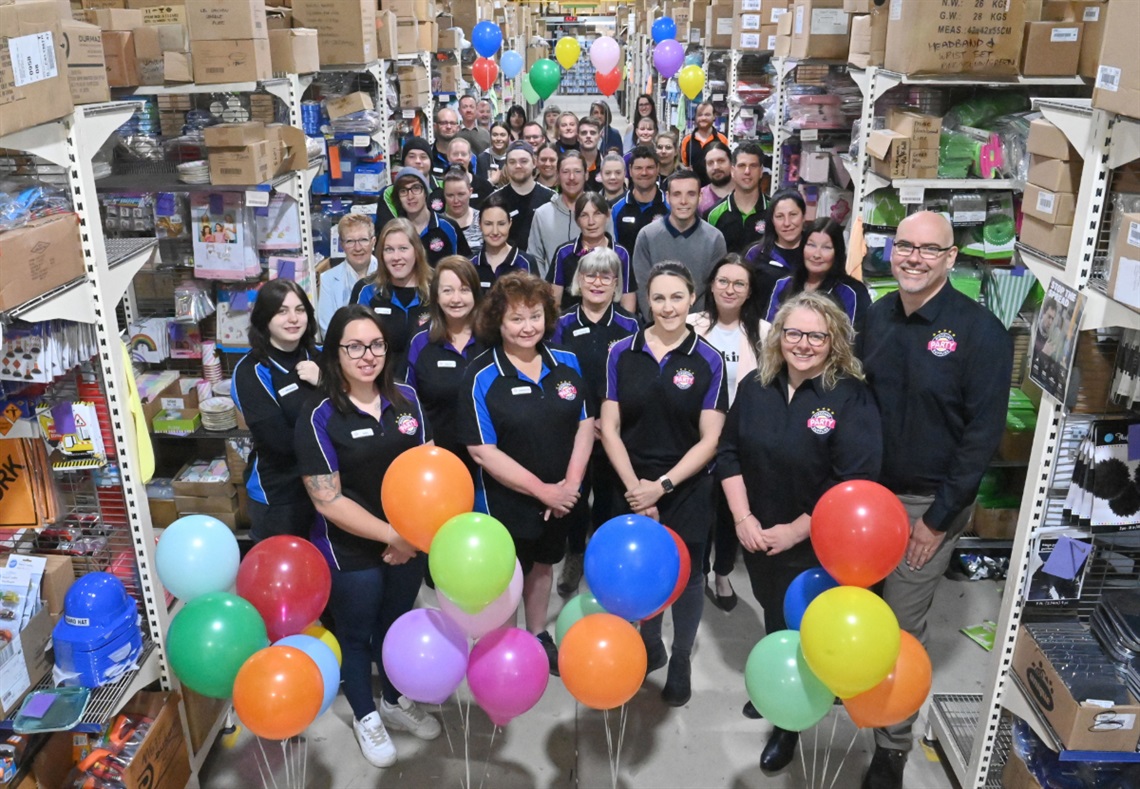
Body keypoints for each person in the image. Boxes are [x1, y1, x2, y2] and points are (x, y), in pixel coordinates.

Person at [859, 211, 1012, 789]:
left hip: (927, 506)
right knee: (860, 611)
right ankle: (856, 694)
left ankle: (892, 745)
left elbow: (980, 439)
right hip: (866, 503)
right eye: (904, 246)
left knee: (900, 625)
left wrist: (939, 521)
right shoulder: (877, 317)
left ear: (951, 259)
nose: (913, 258)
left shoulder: (981, 334)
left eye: (929, 249)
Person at [718, 291, 882, 773]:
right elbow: (728, 453)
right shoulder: (755, 386)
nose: (803, 344)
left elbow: (851, 480)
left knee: (806, 624)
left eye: (816, 335)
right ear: (778, 336)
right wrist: (743, 519)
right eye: (793, 333)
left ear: (833, 341)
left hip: (816, 543)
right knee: (773, 612)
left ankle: (790, 724)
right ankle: (781, 689)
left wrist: (793, 531)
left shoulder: (849, 396)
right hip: (758, 534)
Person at [296, 305, 440, 768]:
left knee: (396, 627)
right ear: (334, 353)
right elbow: (327, 500)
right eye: (353, 346)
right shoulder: (318, 416)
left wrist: (412, 538)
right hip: (351, 550)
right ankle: (365, 714)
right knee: (357, 636)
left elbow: (428, 473)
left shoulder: (407, 401)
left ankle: (394, 702)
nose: (367, 355)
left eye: (375, 345)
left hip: (410, 544)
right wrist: (393, 536)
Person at [600, 261, 728, 706]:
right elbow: (609, 427)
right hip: (629, 483)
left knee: (689, 578)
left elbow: (711, 439)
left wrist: (662, 487)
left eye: (677, 297)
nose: (668, 306)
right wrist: (638, 488)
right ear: (645, 299)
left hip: (685, 487)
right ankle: (650, 643)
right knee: (644, 573)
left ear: (691, 299)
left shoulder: (708, 359)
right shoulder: (621, 352)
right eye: (658, 297)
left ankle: (681, 658)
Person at [458, 272, 595, 674]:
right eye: (516, 318)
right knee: (505, 576)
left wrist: (570, 485)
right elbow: (482, 451)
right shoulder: (481, 375)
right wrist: (543, 491)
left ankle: (537, 634)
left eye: (535, 316)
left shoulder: (566, 362)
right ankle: (505, 645)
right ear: (497, 321)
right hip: (505, 502)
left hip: (561, 498)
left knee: (543, 566)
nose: (527, 327)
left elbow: (585, 425)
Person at [551, 248, 639, 597]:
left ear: (617, 282)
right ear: (579, 281)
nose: (598, 282)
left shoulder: (630, 325)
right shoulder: (562, 324)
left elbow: (633, 378)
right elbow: (558, 378)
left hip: (616, 430)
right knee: (576, 495)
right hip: (574, 428)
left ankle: (604, 559)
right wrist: (587, 420)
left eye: (606, 276)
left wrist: (609, 421)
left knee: (610, 497)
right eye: (590, 275)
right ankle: (575, 552)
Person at [687, 255, 769, 612]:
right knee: (700, 508)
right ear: (711, 284)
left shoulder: (765, 333)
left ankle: (722, 573)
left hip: (740, 439)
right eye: (723, 281)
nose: (729, 289)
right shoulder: (691, 325)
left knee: (729, 511)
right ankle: (698, 573)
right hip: (696, 435)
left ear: (749, 292)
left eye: (739, 283)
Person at [232, 279, 321, 542]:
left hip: (333, 488)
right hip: (280, 495)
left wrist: (326, 382)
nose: (293, 318)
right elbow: (280, 442)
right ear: (264, 318)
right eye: (281, 311)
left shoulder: (321, 357)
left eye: (300, 309)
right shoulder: (251, 371)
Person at [406, 257, 486, 467]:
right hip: (437, 459)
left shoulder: (493, 339)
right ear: (436, 296)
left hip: (490, 461)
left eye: (464, 289)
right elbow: (407, 401)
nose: (456, 299)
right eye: (448, 290)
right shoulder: (420, 342)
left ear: (476, 294)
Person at [631, 169, 727, 321]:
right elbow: (642, 288)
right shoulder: (647, 236)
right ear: (668, 197)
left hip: (699, 327)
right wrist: (658, 323)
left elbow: (714, 290)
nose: (683, 201)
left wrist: (699, 324)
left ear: (700, 197)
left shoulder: (715, 238)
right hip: (657, 325)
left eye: (691, 194)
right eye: (677, 194)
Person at [350, 218, 433, 379]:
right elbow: (353, 345)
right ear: (381, 254)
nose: (396, 257)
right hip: (380, 385)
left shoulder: (437, 287)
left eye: (403, 248)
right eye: (389, 249)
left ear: (416, 251)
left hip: (429, 388)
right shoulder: (366, 290)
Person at [765, 218, 871, 337]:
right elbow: (769, 333)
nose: (816, 254)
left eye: (826, 247)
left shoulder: (854, 292)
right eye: (811, 245)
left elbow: (856, 343)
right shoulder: (783, 284)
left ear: (837, 252)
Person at [548, 191, 636, 313]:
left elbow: (628, 301)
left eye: (597, 214)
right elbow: (554, 302)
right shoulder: (563, 253)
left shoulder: (621, 254)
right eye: (584, 215)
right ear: (577, 220)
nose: (591, 222)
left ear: (607, 215)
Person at [391, 167, 469, 266]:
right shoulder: (394, 231)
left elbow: (465, 268)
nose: (410, 196)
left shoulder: (449, 227)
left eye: (416, 188)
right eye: (403, 191)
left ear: (425, 193)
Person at [527, 151, 587, 277]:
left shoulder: (599, 213)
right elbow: (535, 257)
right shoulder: (542, 214)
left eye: (577, 171)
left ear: (586, 175)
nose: (571, 177)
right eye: (565, 172)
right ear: (558, 176)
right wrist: (546, 289)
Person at [490, 141, 555, 253]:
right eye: (512, 162)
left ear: (534, 163)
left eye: (524, 161)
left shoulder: (551, 198)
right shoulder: (494, 200)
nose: (518, 166)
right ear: (506, 165)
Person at [319, 214, 379, 337]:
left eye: (363, 240)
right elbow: (328, 330)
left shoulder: (387, 274)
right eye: (350, 241)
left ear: (373, 242)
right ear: (342, 245)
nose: (357, 248)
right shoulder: (328, 279)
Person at [745, 188, 807, 306]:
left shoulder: (813, 253)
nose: (787, 223)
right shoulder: (756, 254)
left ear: (803, 216)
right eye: (779, 216)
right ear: (772, 220)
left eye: (793, 214)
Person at [470, 192, 538, 291]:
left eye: (501, 224)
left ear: (510, 223)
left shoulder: (526, 263)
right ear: (480, 224)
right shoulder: (471, 265)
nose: (495, 231)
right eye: (488, 224)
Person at [707, 142, 767, 254]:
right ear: (732, 171)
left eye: (753, 166)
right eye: (742, 166)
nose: (747, 171)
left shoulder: (774, 210)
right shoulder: (713, 214)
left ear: (761, 171)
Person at [612, 145, 669, 255]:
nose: (644, 173)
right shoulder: (616, 208)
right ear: (630, 170)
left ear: (658, 169)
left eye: (650, 168)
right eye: (638, 168)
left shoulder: (669, 206)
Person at [375, 137, 437, 233]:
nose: (418, 161)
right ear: (404, 161)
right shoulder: (389, 193)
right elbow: (386, 231)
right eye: (411, 156)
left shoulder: (442, 187)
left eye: (423, 157)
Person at [680, 102, 730, 186]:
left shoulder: (722, 140)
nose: (703, 118)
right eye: (700, 115)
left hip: (717, 188)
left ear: (714, 116)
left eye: (707, 115)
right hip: (693, 189)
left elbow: (726, 165)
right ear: (695, 117)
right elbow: (683, 164)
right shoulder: (687, 140)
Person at [442, 166, 483, 257]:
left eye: (461, 194)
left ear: (470, 192)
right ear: (444, 195)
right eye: (450, 195)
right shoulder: (438, 224)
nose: (456, 200)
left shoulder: (483, 220)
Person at [445, 137, 494, 209]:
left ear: (470, 157)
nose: (459, 157)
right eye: (455, 154)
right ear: (448, 156)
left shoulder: (484, 186)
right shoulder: (441, 185)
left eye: (463, 154)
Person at [431, 107, 475, 179]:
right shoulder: (428, 154)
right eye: (444, 123)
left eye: (452, 123)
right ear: (435, 126)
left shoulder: (470, 157)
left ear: (458, 127)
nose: (448, 127)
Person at [698, 141, 734, 217]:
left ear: (731, 162)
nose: (716, 167)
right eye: (710, 163)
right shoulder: (699, 197)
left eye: (721, 161)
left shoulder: (745, 193)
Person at [476, 122, 511, 186]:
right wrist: (491, 181)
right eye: (495, 135)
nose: (498, 139)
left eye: (502, 135)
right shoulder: (482, 158)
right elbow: (479, 187)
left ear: (509, 137)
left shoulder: (513, 157)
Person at [576, 117, 604, 191]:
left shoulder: (607, 164)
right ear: (578, 137)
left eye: (593, 133)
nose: (588, 136)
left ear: (599, 137)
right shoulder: (569, 163)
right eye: (584, 133)